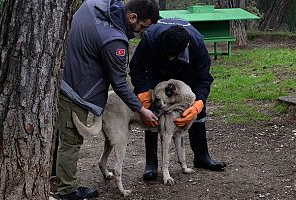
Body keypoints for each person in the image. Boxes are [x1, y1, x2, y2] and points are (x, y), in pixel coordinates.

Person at [55, 0, 160, 199]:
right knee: (71, 139)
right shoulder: (114, 41)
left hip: (61, 75)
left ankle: (56, 174)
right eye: (142, 26)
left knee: (60, 135)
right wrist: (140, 109)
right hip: (74, 89)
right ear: (132, 17)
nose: (141, 31)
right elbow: (119, 83)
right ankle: (67, 190)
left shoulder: (95, 5)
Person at [129, 18, 227, 181]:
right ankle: (151, 164)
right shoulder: (150, 39)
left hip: (186, 72)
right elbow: (136, 68)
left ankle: (202, 156)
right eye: (167, 54)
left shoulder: (197, 44)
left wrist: (198, 104)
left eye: (173, 55)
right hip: (156, 72)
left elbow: (203, 79)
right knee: (154, 112)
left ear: (185, 47)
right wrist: (143, 93)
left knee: (195, 104)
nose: (170, 59)